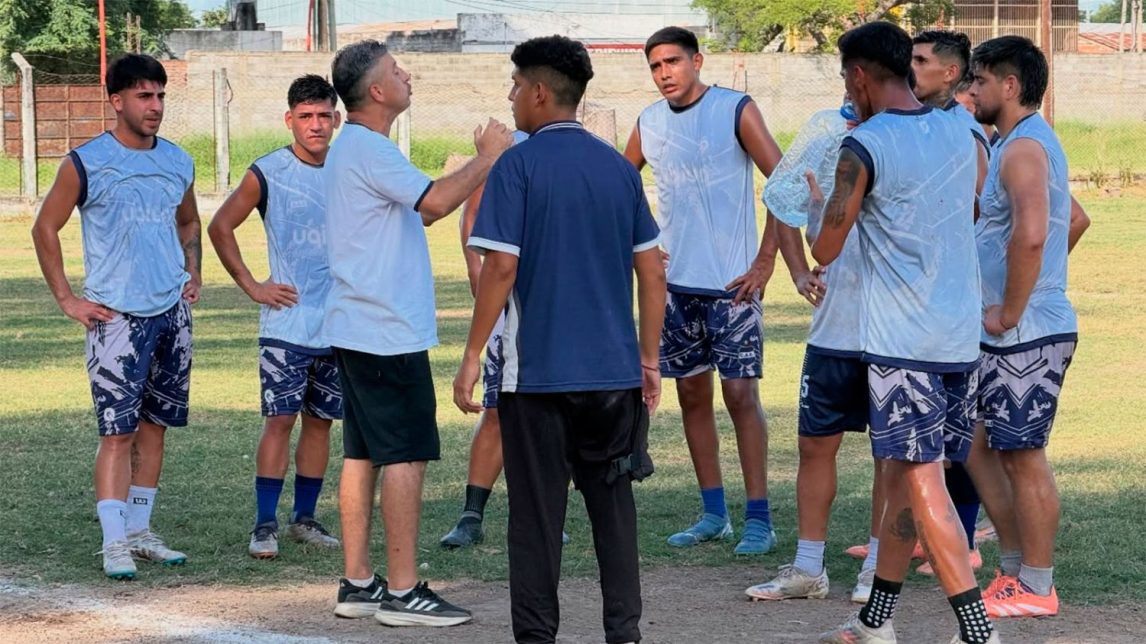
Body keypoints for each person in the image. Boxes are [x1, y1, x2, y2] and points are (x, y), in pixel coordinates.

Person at [453, 35, 665, 644]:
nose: (512, 98)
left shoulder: (516, 165)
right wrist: (647, 360)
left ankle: (536, 637)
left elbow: (500, 268)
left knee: (536, 520)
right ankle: (624, 633)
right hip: (613, 376)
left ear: (540, 92)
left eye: (516, 86)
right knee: (614, 514)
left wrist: (472, 360)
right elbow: (652, 271)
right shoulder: (618, 170)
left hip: (536, 377)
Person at [812, 22, 998, 644]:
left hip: (903, 347)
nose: (847, 88)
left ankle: (976, 632)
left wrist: (821, 205)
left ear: (860, 75)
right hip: (959, 340)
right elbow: (975, 207)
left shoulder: (862, 145)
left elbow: (827, 247)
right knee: (901, 480)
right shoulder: (963, 128)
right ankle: (876, 619)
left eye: (845, 77)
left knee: (922, 483)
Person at [323, 39, 513, 626]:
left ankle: (358, 583)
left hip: (362, 325)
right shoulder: (367, 149)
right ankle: (404, 592)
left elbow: (424, 208)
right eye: (397, 70)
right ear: (377, 91)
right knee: (404, 454)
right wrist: (488, 156)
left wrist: (471, 170)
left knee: (363, 453)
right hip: (383, 330)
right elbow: (436, 200)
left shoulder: (360, 149)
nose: (409, 75)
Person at [31, 54, 199, 580]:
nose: (155, 107)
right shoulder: (85, 162)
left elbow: (189, 219)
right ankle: (113, 542)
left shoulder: (177, 161)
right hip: (117, 318)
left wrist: (192, 270)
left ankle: (140, 531)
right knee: (117, 433)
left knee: (155, 428)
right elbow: (45, 228)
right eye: (145, 96)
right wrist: (68, 299)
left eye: (161, 96)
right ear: (117, 101)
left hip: (172, 313)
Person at [622, 26, 784, 555]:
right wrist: (636, 243)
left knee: (740, 395)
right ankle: (713, 512)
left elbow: (783, 186)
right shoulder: (648, 123)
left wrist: (765, 261)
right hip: (673, 289)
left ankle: (759, 517)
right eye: (654, 66)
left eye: (672, 61)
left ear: (697, 60)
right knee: (692, 394)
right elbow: (620, 191)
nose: (664, 73)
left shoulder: (736, 109)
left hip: (732, 285)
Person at [969, 35, 1083, 619]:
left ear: (1009, 86)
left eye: (980, 81)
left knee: (1023, 454)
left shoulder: (1020, 151)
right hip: (1014, 331)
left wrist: (1014, 307)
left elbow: (1033, 233)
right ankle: (1014, 572)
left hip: (1025, 333)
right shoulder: (1017, 142)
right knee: (979, 448)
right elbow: (1075, 220)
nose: (972, 91)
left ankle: (1038, 586)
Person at [207, 75, 343, 559]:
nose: (315, 125)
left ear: (337, 118)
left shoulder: (349, 170)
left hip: (340, 324)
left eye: (324, 115)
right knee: (280, 420)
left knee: (322, 423)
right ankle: (264, 523)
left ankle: (304, 518)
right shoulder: (268, 171)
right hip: (286, 325)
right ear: (290, 120)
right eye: (305, 117)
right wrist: (253, 286)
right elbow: (220, 225)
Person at [440, 130, 570, 550]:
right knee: (496, 409)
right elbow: (473, 214)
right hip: (506, 301)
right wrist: (473, 265)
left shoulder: (574, 150)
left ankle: (546, 515)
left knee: (554, 414)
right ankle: (471, 515)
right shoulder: (507, 150)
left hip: (554, 304)